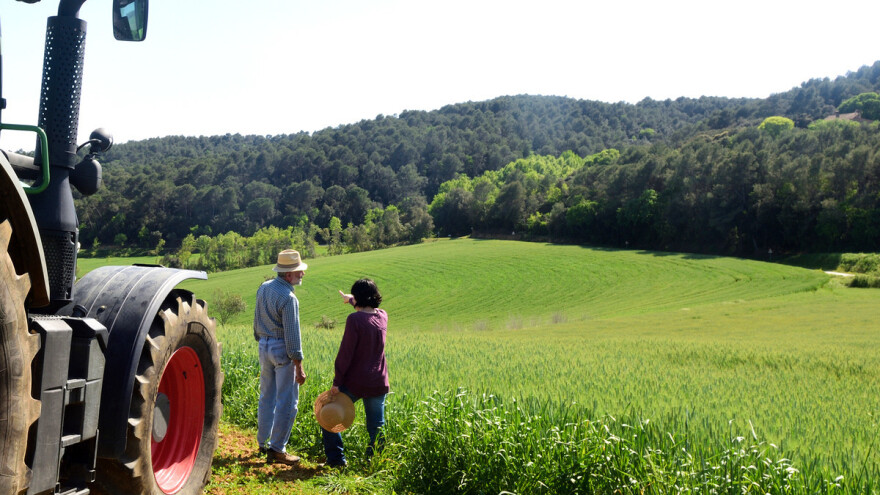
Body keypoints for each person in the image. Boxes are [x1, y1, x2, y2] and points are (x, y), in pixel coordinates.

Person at [322, 279, 390, 467]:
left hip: (355, 382)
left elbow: (346, 353)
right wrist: (351, 299)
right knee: (377, 426)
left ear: (358, 297)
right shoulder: (383, 316)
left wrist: (337, 382)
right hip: (378, 382)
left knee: (327, 413)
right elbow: (366, 310)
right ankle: (374, 462)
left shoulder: (354, 320)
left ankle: (336, 460)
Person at [254, 249, 308, 465]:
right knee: (287, 400)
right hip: (281, 350)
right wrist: (299, 365)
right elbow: (292, 336)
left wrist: (261, 340)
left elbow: (256, 321)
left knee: (266, 396)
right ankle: (277, 449)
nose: (302, 275)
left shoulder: (264, 288)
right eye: (299, 272)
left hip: (263, 345)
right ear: (288, 275)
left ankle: (262, 442)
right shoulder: (289, 298)